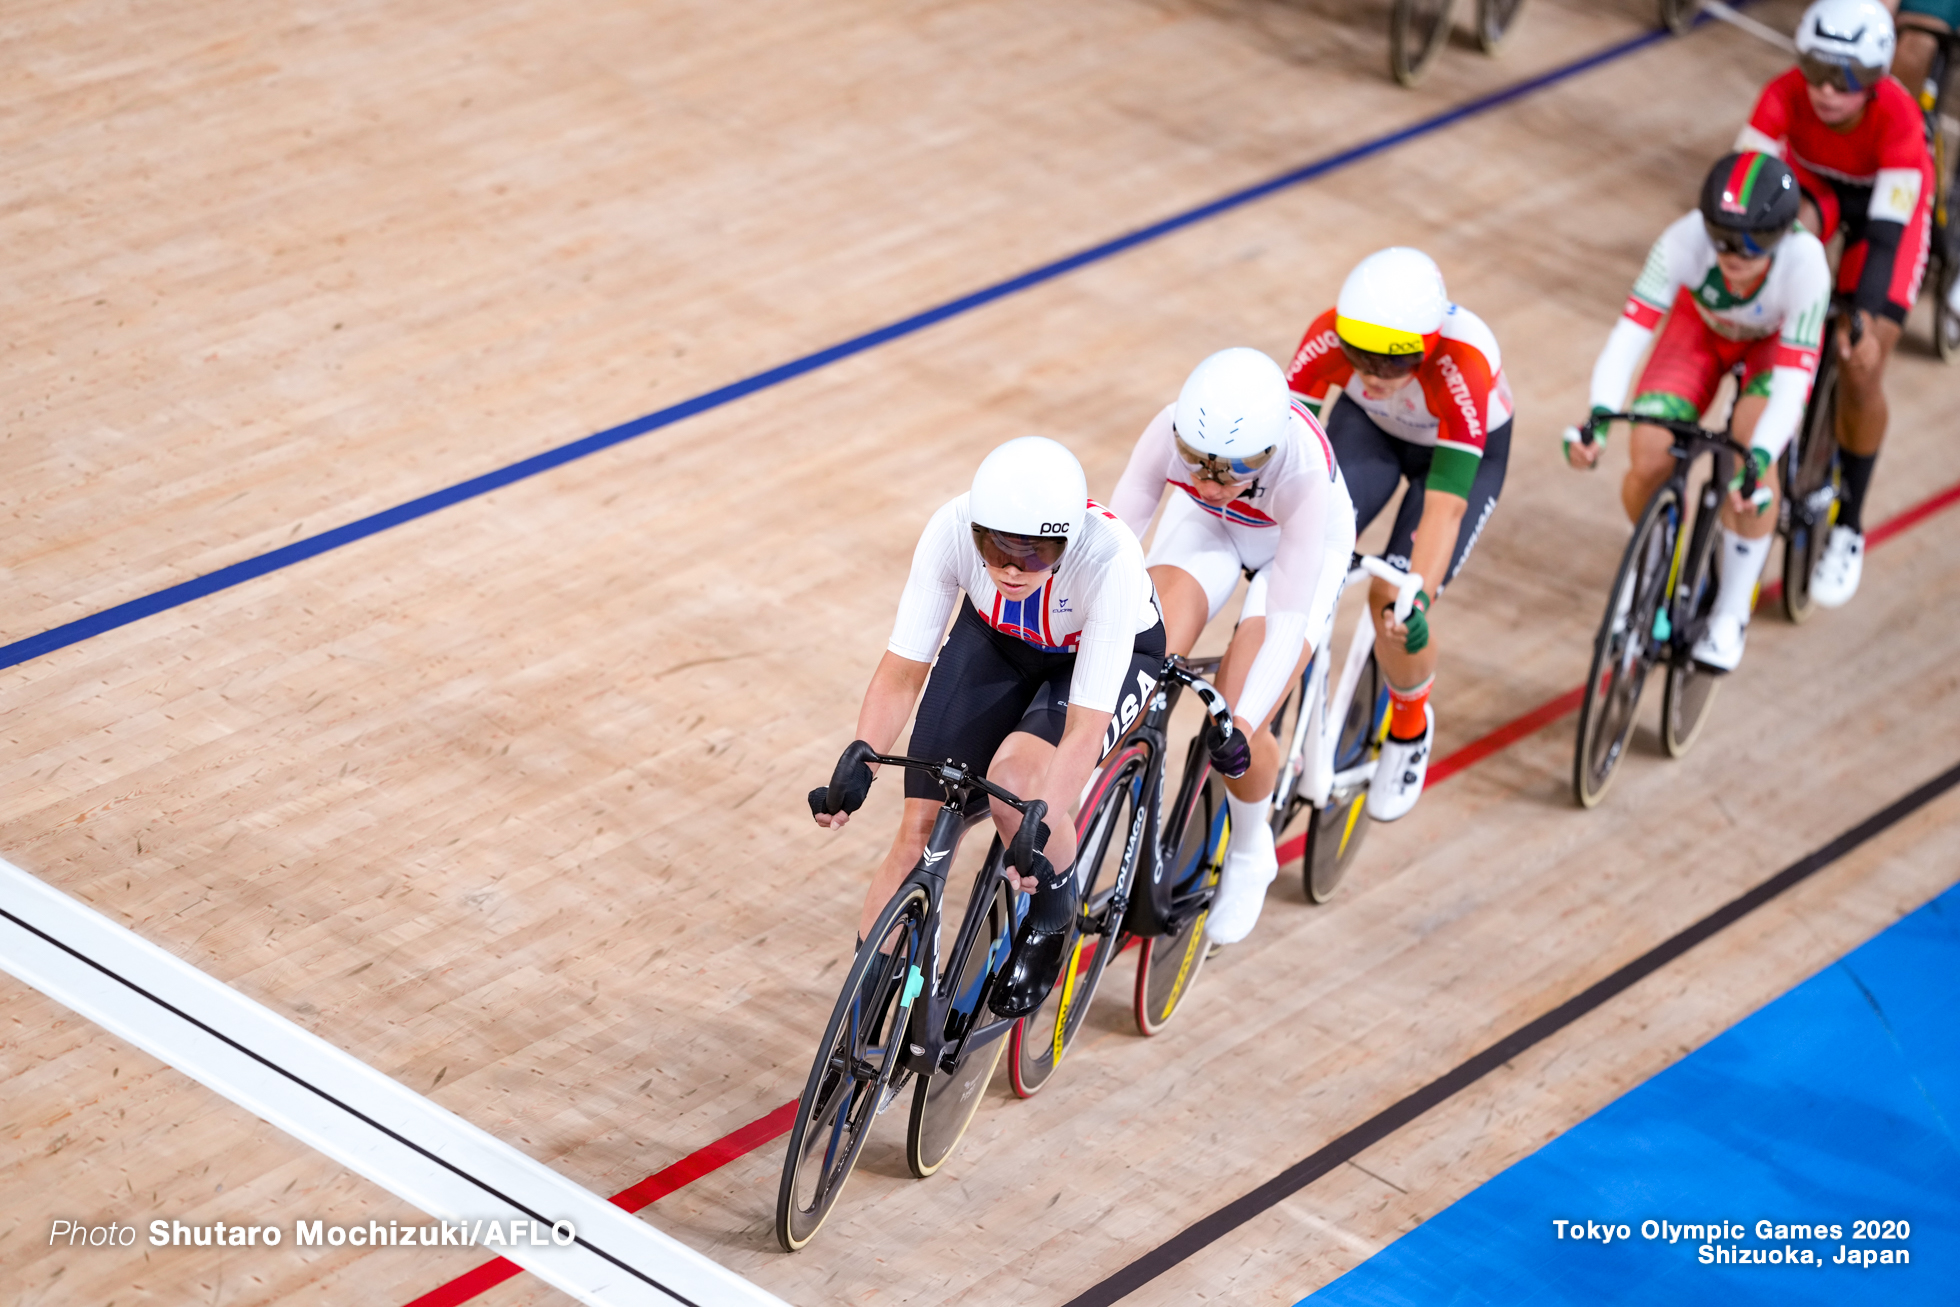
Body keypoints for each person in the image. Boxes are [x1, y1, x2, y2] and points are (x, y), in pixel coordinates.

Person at [809, 436, 1165, 1019]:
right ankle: (864, 1014)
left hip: (1096, 664)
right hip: (999, 642)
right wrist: (863, 755)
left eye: (1032, 556)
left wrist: (1040, 819)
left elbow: (1082, 728)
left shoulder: (1109, 561)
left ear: (1067, 541)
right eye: (995, 550)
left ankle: (1054, 914)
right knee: (919, 826)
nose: (1008, 569)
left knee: (1015, 789)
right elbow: (903, 672)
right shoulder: (951, 527)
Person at [1107, 347, 1355, 945]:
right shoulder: (1172, 431)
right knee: (1141, 644)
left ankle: (1250, 848)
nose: (1205, 480)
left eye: (1226, 472)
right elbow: (1114, 538)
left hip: (1296, 556)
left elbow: (1288, 619)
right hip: (1209, 529)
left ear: (1266, 456)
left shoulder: (1300, 471)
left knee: (1237, 709)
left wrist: (1238, 724)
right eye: (1194, 463)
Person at [1567, 152, 1832, 671]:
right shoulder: (1683, 240)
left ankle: (1732, 610)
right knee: (1647, 453)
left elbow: (1794, 384)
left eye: (1751, 243)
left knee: (1751, 458)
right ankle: (1652, 563)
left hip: (1769, 348)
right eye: (1722, 237)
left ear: (1781, 235)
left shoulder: (1806, 266)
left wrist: (1757, 458)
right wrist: (1598, 414)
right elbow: (1629, 335)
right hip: (1701, 332)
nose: (1732, 254)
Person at [1283, 248, 1513, 822]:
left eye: (1393, 364)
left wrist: (1418, 592)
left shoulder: (1463, 363)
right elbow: (1284, 457)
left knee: (1395, 601)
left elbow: (1443, 508)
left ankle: (1409, 728)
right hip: (1372, 433)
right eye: (1360, 357)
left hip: (1457, 456)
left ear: (1429, 343)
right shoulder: (1327, 336)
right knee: (1304, 558)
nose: (1372, 374)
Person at [1736, 0, 1933, 606]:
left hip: (1885, 215)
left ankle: (1849, 522)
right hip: (1817, 193)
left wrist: (1864, 320)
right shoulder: (1782, 94)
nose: (1824, 89)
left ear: (1873, 81)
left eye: (1843, 78)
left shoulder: (1899, 121)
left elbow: (1882, 241)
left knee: (1861, 360)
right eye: (1814, 67)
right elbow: (1744, 196)